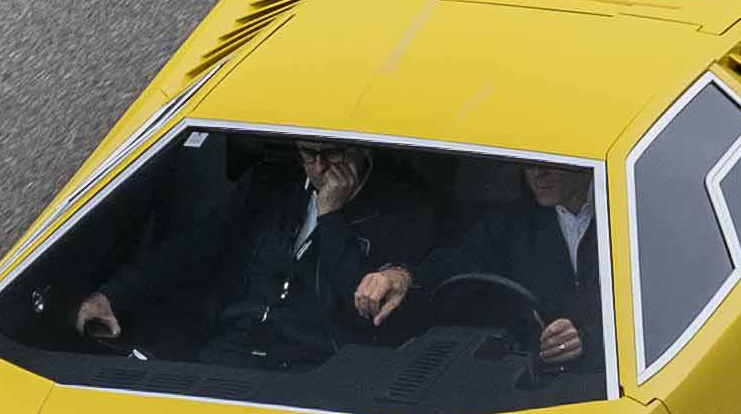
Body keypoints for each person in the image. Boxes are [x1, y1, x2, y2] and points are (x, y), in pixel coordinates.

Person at [74, 139, 380, 366]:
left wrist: (331, 217)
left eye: (332, 154)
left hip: (312, 368)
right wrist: (112, 295)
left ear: (362, 150)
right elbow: (191, 248)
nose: (319, 167)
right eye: (308, 154)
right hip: (231, 351)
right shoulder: (267, 185)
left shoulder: (397, 213)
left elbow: (362, 306)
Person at [352, 161, 604, 369]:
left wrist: (588, 341)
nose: (537, 174)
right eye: (528, 164)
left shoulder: (620, 210)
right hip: (538, 375)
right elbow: (456, 264)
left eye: (551, 163)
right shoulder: (511, 223)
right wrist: (401, 276)